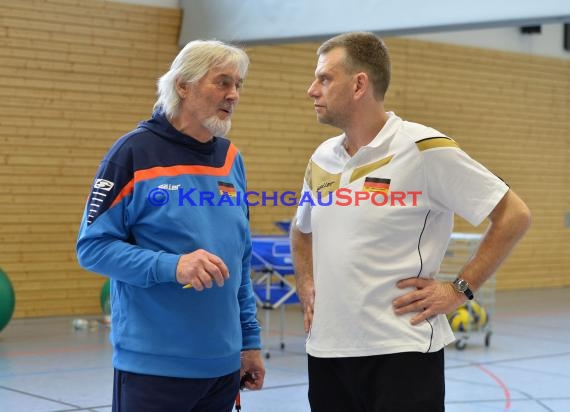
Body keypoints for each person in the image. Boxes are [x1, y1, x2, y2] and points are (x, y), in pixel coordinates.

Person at [291, 32, 531, 412]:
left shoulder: (424, 148)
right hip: (327, 351)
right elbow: (301, 231)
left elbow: (514, 215)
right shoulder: (322, 157)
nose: (311, 90)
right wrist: (305, 281)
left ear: (358, 85)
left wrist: (458, 290)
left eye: (324, 79)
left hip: (401, 353)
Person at [76, 39, 265, 412]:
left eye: (238, 84)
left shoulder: (231, 159)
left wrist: (249, 342)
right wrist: (173, 265)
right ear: (183, 85)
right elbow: (93, 248)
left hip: (222, 368)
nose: (234, 95)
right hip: (154, 369)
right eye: (223, 82)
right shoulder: (132, 153)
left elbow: (240, 258)